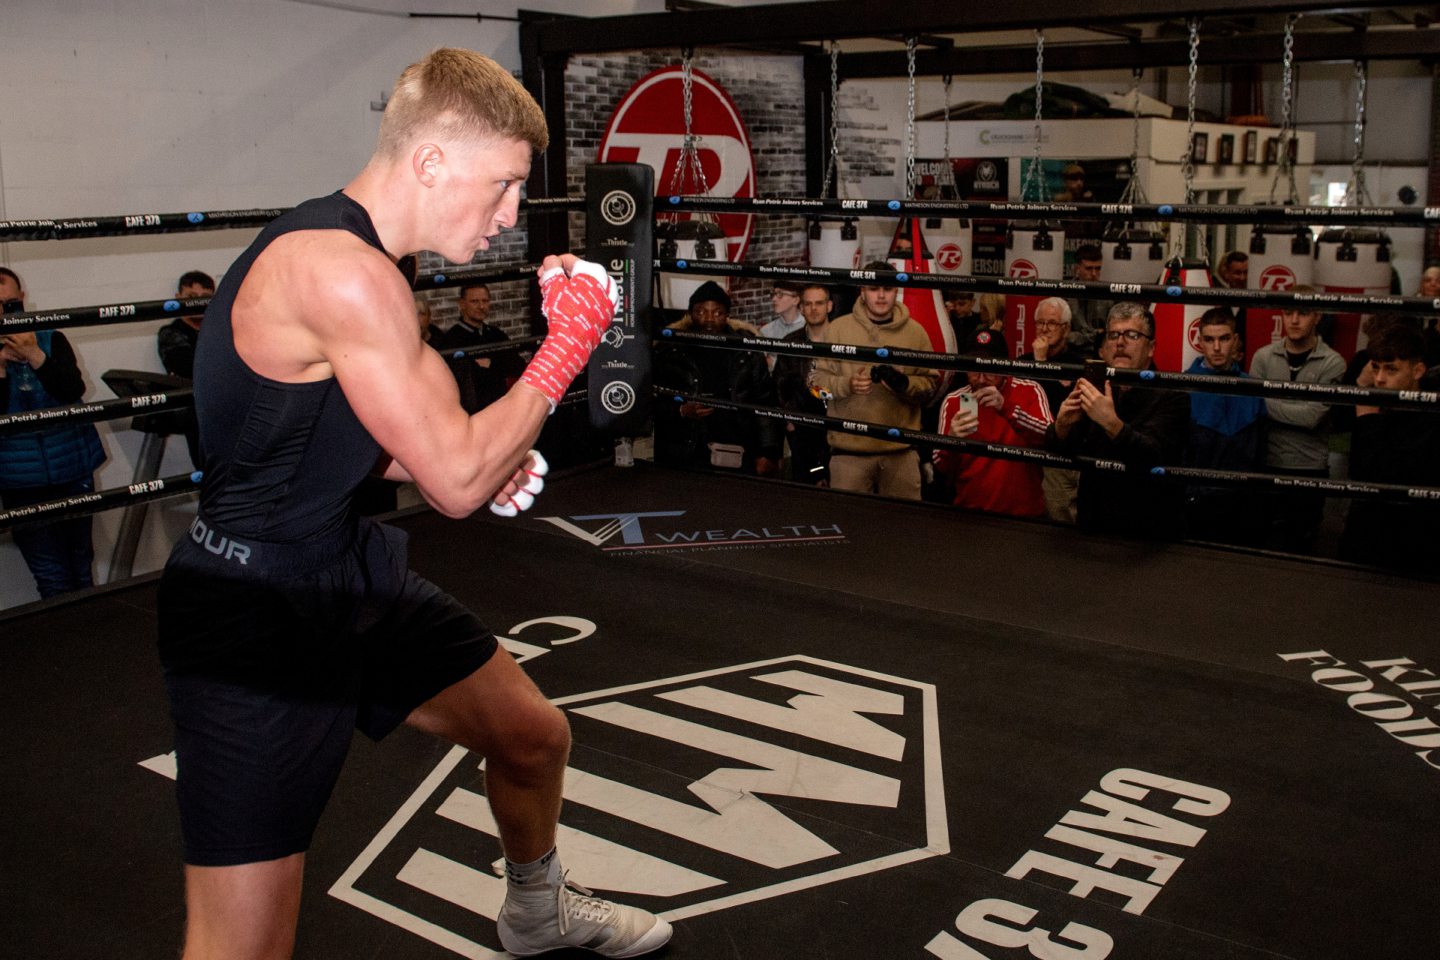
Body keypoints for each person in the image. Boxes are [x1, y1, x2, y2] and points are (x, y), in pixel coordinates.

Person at [154, 48, 670, 960]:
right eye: (505, 184)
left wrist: (467, 452)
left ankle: (537, 909)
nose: (512, 214)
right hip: (254, 616)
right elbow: (457, 484)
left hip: (345, 569)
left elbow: (361, 439)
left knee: (531, 736)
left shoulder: (368, 264)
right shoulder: (340, 272)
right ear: (431, 161)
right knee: (241, 948)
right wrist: (570, 346)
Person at [0, 267, 107, 598]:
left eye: (9, 304)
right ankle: (66, 646)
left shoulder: (50, 337)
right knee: (51, 576)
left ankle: (90, 643)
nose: (3, 312)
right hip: (21, 481)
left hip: (72, 467)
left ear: (22, 300)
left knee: (81, 565)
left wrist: (34, 355)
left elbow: (71, 389)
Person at [1045, 302, 1190, 538]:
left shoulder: (1172, 395)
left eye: (1132, 335)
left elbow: (1152, 455)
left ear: (1151, 347)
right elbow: (1061, 452)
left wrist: (1111, 423)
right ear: (1103, 347)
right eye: (1113, 335)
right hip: (1094, 528)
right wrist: (1061, 427)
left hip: (1149, 535)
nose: (1120, 342)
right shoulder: (1093, 385)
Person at [811, 262, 938, 500]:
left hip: (901, 453)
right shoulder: (837, 329)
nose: (881, 295)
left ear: (896, 291)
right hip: (848, 453)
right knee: (848, 529)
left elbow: (931, 388)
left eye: (887, 289)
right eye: (873, 288)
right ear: (862, 290)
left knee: (907, 531)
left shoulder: (916, 332)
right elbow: (815, 387)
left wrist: (904, 384)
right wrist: (846, 385)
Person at [1247, 288, 1346, 554]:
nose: (1294, 320)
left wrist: (1267, 404)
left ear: (1317, 316)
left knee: (1301, 548)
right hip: (1266, 462)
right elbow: (1253, 408)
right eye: (1288, 312)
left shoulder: (1333, 362)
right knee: (1258, 549)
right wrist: (1288, 408)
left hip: (1308, 467)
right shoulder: (1263, 356)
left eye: (1303, 313)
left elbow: (1312, 418)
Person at [653, 280, 781, 477]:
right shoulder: (671, 349)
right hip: (684, 451)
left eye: (717, 312)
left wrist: (768, 452)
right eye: (701, 311)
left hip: (737, 448)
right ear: (691, 313)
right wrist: (681, 410)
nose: (709, 319)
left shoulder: (746, 350)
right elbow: (651, 398)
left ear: (727, 315)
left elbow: (765, 402)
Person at [1340, 324, 1440, 575]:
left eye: (1391, 369)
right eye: (1375, 367)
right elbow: (1357, 471)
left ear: (1418, 370)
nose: (1380, 378)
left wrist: (1368, 422)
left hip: (1411, 548)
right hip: (1364, 541)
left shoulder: (1430, 418)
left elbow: (1391, 479)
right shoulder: (1376, 407)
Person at [933, 327, 1051, 518]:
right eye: (974, 369)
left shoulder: (1029, 390)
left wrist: (1007, 408)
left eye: (989, 369)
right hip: (970, 514)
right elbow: (941, 465)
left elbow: (1049, 438)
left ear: (1004, 367)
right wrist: (951, 441)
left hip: (1024, 515)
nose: (981, 378)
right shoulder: (957, 400)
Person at [1182, 307, 1267, 545]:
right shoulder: (1183, 388)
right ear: (1200, 342)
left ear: (1236, 340)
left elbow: (1260, 454)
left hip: (1243, 504)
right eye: (1209, 339)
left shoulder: (1252, 389)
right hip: (1198, 505)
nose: (1217, 348)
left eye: (1224, 338)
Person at [1016, 296, 1083, 523]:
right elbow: (1023, 402)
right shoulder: (1023, 361)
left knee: (1059, 519)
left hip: (1060, 455)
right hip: (1025, 452)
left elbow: (1061, 407)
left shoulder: (1077, 364)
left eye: (1052, 323)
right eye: (1040, 323)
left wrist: (1041, 364)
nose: (1045, 329)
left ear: (1067, 328)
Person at [431, 281, 525, 413]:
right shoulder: (451, 340)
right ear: (462, 304)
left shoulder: (496, 334)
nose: (481, 306)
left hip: (501, 408)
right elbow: (455, 379)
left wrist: (492, 364)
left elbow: (518, 366)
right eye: (474, 301)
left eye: (485, 301)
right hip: (470, 414)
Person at [772, 283, 832, 484]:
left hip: (837, 424)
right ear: (802, 308)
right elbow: (780, 385)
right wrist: (790, 423)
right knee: (807, 490)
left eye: (819, 303)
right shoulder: (791, 342)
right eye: (808, 304)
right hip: (803, 430)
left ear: (829, 306)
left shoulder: (844, 339)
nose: (814, 309)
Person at [156, 270, 216, 467]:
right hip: (198, 417)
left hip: (230, 411)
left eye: (205, 297)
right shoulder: (171, 333)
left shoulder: (224, 328)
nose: (197, 302)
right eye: (191, 297)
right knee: (208, 476)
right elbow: (187, 366)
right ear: (178, 298)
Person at [1064, 243, 1107, 350]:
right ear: (1077, 269)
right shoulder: (1064, 294)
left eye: (1098, 269)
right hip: (1071, 353)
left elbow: (1109, 334)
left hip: (1101, 353)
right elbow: (1065, 336)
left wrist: (1081, 336)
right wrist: (1096, 334)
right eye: (1089, 269)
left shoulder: (1108, 295)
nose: (1094, 274)